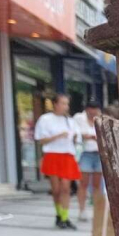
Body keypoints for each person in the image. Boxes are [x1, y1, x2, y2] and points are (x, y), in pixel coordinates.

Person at [33, 95, 80, 229]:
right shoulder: (45, 119)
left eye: (67, 104)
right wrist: (57, 136)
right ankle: (59, 215)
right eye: (63, 103)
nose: (66, 106)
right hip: (52, 154)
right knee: (56, 189)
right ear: (55, 104)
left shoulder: (70, 121)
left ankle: (65, 217)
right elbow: (41, 139)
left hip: (67, 154)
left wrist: (75, 137)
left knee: (66, 187)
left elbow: (77, 139)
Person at [71, 99, 101, 223]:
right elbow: (75, 133)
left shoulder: (100, 118)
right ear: (87, 109)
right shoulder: (79, 118)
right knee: (83, 183)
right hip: (85, 153)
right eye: (91, 109)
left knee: (97, 185)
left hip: (98, 153)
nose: (93, 112)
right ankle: (82, 210)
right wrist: (88, 136)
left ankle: (97, 211)